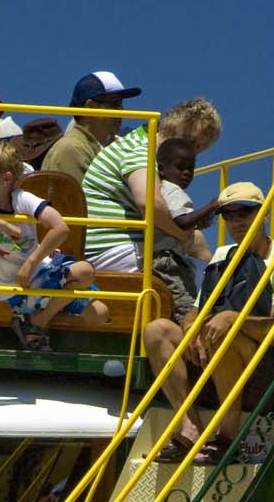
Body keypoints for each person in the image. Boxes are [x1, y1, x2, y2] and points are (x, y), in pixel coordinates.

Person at [142, 180, 274, 460]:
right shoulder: (223, 255)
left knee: (225, 333)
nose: (236, 222)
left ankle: (228, 437)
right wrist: (191, 333)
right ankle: (190, 427)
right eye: (229, 215)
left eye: (244, 213)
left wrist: (234, 319)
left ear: (264, 214)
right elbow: (195, 313)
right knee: (157, 330)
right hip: (216, 364)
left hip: (270, 378)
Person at [0, 142, 107, 351]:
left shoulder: (21, 198)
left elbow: (60, 228)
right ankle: (36, 323)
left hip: (38, 272)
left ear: (6, 178)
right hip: (16, 288)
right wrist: (4, 224)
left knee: (100, 314)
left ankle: (36, 322)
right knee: (85, 271)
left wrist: (31, 262)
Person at [82, 97, 223, 274]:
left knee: (200, 250)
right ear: (174, 125)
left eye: (199, 147)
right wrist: (182, 236)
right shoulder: (142, 150)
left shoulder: (145, 145)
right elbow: (149, 202)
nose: (191, 150)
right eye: (190, 140)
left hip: (118, 246)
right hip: (110, 249)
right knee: (196, 277)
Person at [151, 138, 221, 323]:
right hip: (168, 261)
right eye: (180, 167)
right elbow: (182, 221)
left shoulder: (162, 190)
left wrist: (197, 222)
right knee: (186, 307)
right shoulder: (173, 190)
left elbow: (175, 222)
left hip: (161, 258)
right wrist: (212, 205)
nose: (186, 173)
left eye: (190, 168)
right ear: (162, 168)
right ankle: (191, 338)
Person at [42, 71, 141, 183]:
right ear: (90, 107)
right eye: (114, 104)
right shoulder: (72, 149)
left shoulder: (87, 148)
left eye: (121, 105)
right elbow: (80, 200)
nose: (121, 111)